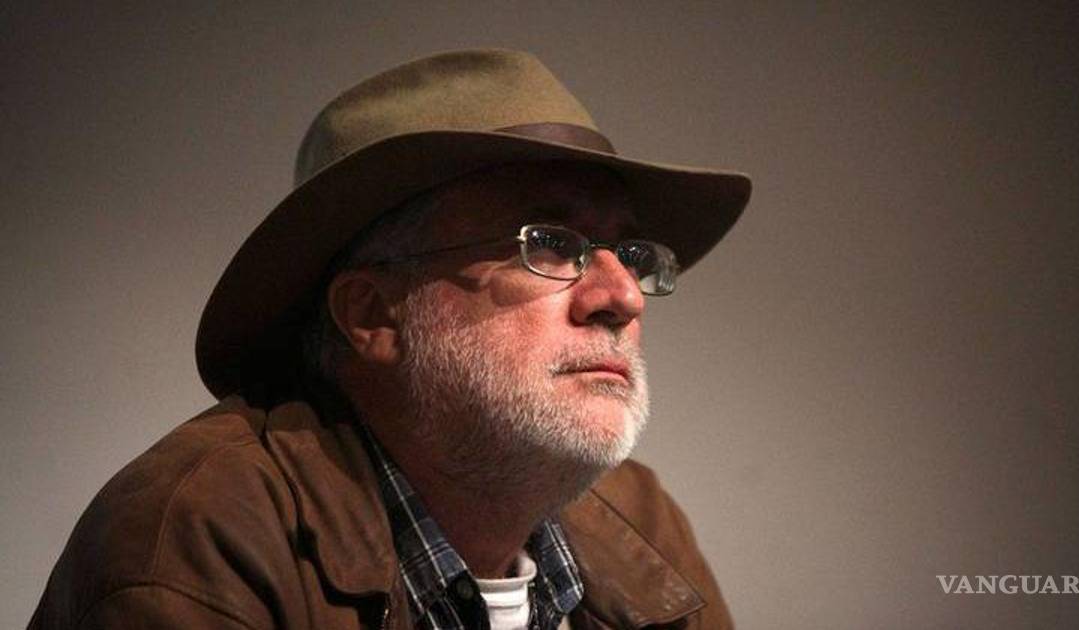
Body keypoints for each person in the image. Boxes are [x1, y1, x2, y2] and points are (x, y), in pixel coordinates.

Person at [30, 49, 751, 629]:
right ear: (374, 314)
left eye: (629, 255)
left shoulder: (641, 522)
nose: (622, 297)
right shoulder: (202, 534)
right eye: (551, 245)